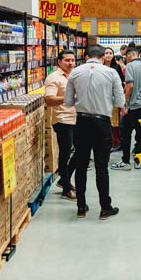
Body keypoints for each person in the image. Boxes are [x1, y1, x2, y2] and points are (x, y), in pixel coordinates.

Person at [64, 44, 125, 219]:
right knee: (101, 167)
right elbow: (120, 101)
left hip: (81, 122)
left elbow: (68, 101)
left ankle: (81, 206)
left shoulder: (75, 72)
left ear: (86, 56)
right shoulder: (111, 73)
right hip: (102, 124)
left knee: (81, 166)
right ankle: (105, 207)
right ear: (102, 57)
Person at [44, 50, 77, 200]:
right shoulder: (53, 78)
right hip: (62, 119)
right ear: (59, 62)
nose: (70, 63)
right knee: (65, 153)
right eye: (67, 60)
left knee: (81, 150)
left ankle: (65, 178)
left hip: (76, 118)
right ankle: (65, 188)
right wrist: (67, 98)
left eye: (72, 60)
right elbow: (49, 100)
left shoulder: (75, 75)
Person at [111, 45, 141, 171]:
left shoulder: (130, 66)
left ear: (129, 55)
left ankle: (125, 161)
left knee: (125, 132)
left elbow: (130, 85)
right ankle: (139, 160)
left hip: (133, 104)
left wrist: (124, 102)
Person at [102, 47, 124, 151]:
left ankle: (115, 142)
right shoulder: (99, 67)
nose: (108, 55)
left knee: (114, 121)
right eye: (106, 53)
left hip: (114, 98)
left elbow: (120, 83)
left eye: (110, 53)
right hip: (102, 97)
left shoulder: (117, 68)